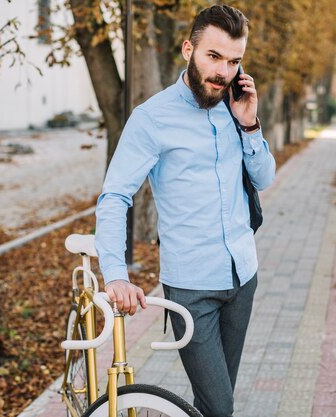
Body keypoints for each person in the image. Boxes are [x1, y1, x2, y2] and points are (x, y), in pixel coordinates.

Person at [95, 5, 276, 416]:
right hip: (192, 288)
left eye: (233, 61)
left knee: (217, 400)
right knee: (218, 407)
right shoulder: (151, 119)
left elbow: (264, 178)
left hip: (243, 275)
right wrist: (116, 276)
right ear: (188, 49)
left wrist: (249, 125)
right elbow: (114, 197)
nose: (222, 72)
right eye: (213, 57)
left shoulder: (236, 107)